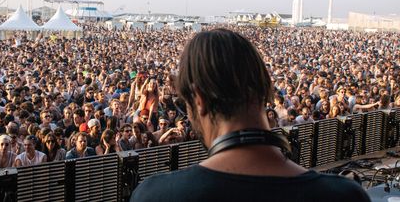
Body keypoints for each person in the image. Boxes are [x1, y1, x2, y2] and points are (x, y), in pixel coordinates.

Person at [130, 29, 369, 202]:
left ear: (199, 99)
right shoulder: (346, 196)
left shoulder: (156, 195)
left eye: (187, 104)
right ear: (264, 88)